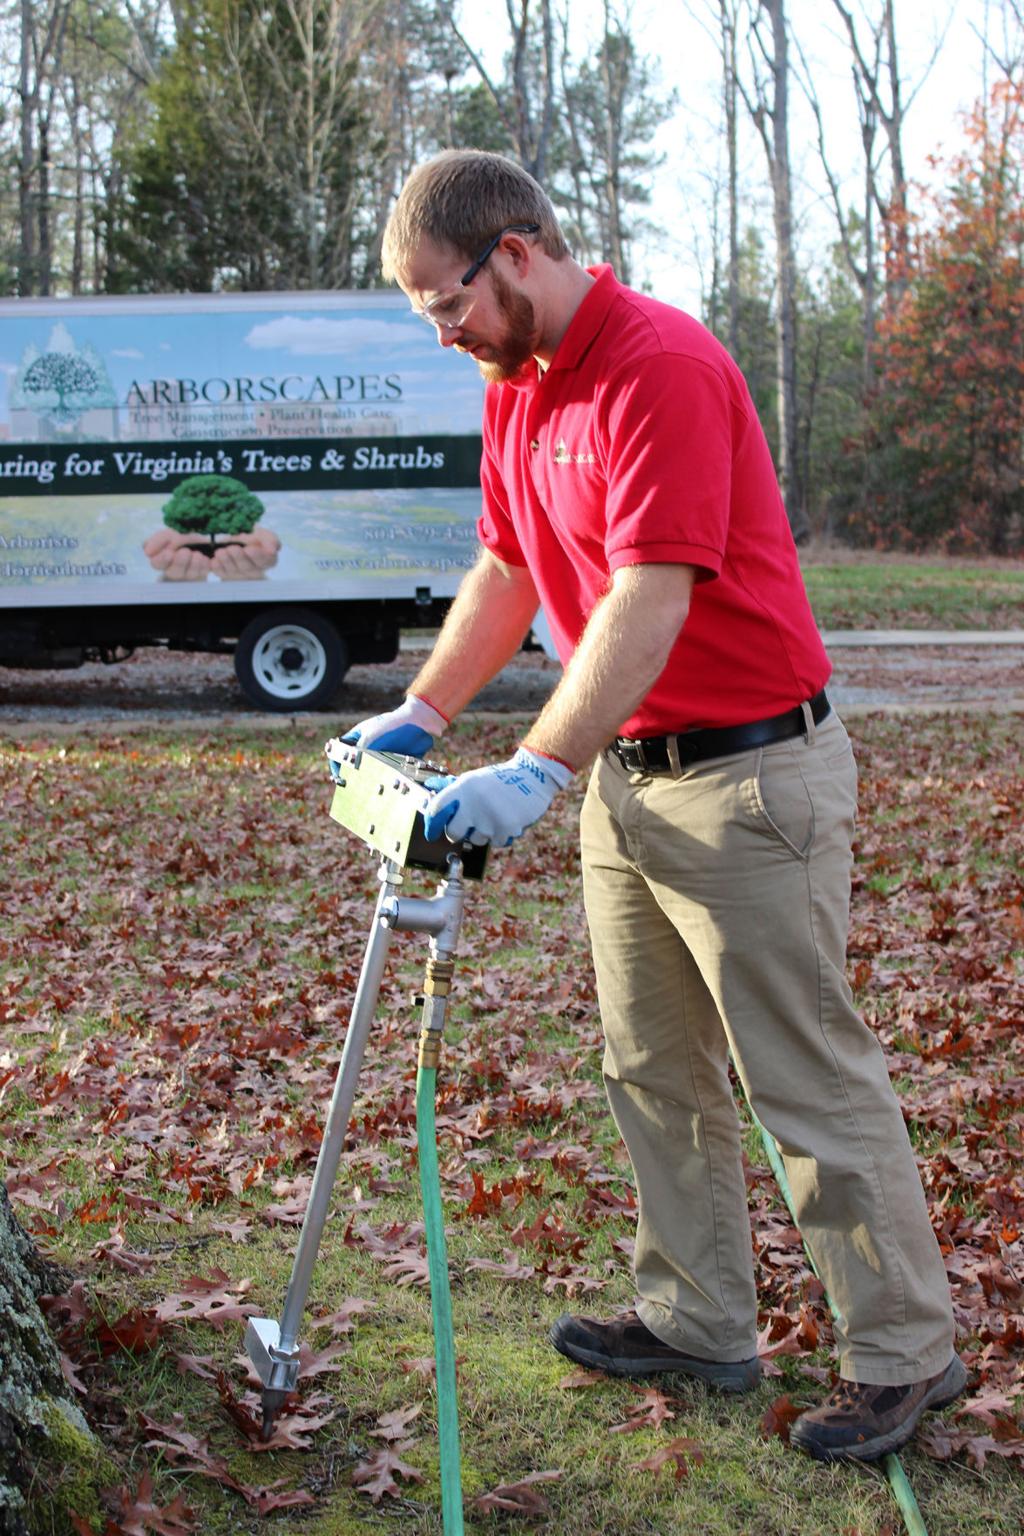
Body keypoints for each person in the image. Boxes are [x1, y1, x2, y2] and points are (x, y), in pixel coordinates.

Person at [342, 149, 965, 1463]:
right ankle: (699, 1322)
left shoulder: (658, 366)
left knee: (806, 1076)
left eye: (447, 305)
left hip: (751, 781)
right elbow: (511, 565)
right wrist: (428, 713)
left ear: (514, 252)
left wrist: (540, 767)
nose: (446, 337)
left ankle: (906, 1354)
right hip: (634, 785)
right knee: (652, 1071)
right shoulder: (519, 386)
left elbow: (648, 598)